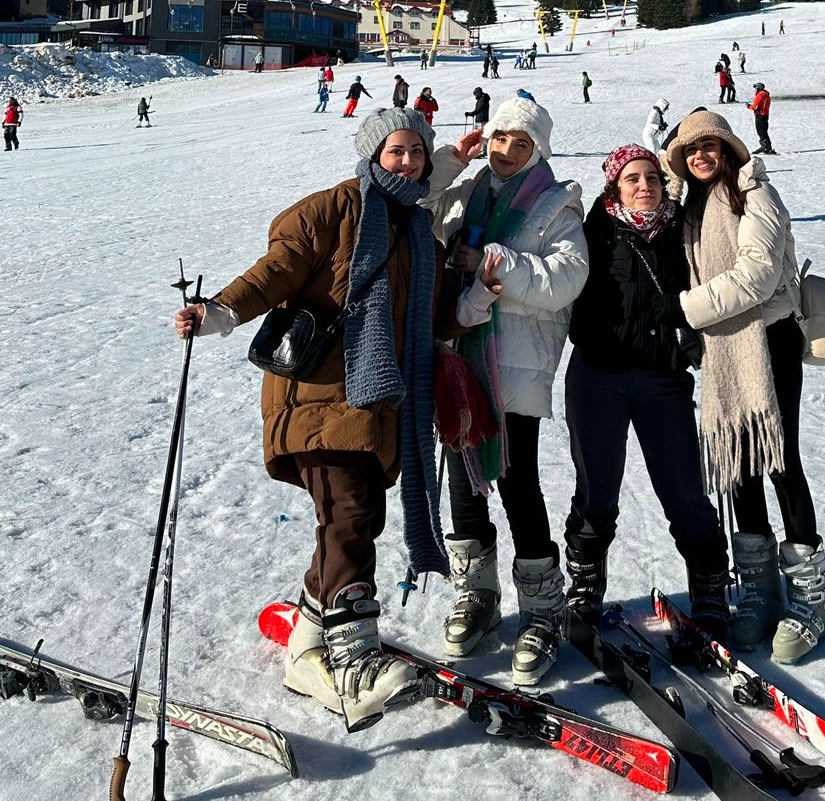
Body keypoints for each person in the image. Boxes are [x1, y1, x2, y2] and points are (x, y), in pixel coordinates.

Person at [173, 110, 494, 728]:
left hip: (379, 406)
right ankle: (354, 660)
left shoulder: (418, 232)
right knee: (348, 515)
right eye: (396, 152)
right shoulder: (332, 209)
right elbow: (278, 270)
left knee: (355, 517)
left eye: (416, 154)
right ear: (373, 153)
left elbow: (429, 318)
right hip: (318, 395)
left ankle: (307, 642)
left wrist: (474, 304)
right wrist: (219, 312)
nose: (407, 163)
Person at [423, 97, 588, 684]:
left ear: (539, 149)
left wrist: (497, 261)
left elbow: (566, 279)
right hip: (458, 351)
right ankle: (478, 594)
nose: (507, 153)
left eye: (522, 144)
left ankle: (542, 609)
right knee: (464, 480)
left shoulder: (556, 203)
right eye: (500, 141)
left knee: (518, 482)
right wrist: (447, 164)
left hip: (513, 363)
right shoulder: (468, 191)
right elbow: (415, 210)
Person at [663, 111, 825, 660]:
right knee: (738, 463)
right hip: (722, 349)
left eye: (709, 147)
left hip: (769, 341)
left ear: (728, 149)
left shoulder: (755, 196)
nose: (700, 157)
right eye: (690, 151)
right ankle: (758, 589)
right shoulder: (691, 207)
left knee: (780, 460)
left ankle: (808, 596)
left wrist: (684, 311)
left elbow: (757, 275)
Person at [563, 145, 728, 632]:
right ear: (615, 185)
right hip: (598, 376)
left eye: (652, 178)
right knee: (596, 489)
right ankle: (586, 581)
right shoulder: (592, 228)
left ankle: (710, 583)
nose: (644, 187)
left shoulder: (683, 229)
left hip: (662, 377)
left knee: (683, 489)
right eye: (633, 179)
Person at [748, 83, 774, 154]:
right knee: (764, 131)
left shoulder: (760, 95)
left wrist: (749, 106)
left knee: (760, 131)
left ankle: (765, 147)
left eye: (755, 88)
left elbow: (755, 106)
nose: (754, 90)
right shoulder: (766, 95)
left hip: (760, 115)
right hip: (765, 115)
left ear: (758, 88)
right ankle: (768, 147)